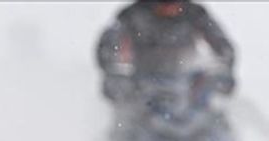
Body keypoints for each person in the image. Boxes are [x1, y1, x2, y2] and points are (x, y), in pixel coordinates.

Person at [95, 0, 235, 101]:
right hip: (141, 89)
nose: (170, 7)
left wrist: (220, 69)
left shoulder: (195, 13)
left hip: (188, 90)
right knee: (123, 117)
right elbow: (108, 46)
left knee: (217, 120)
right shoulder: (131, 15)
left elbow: (222, 46)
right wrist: (115, 71)